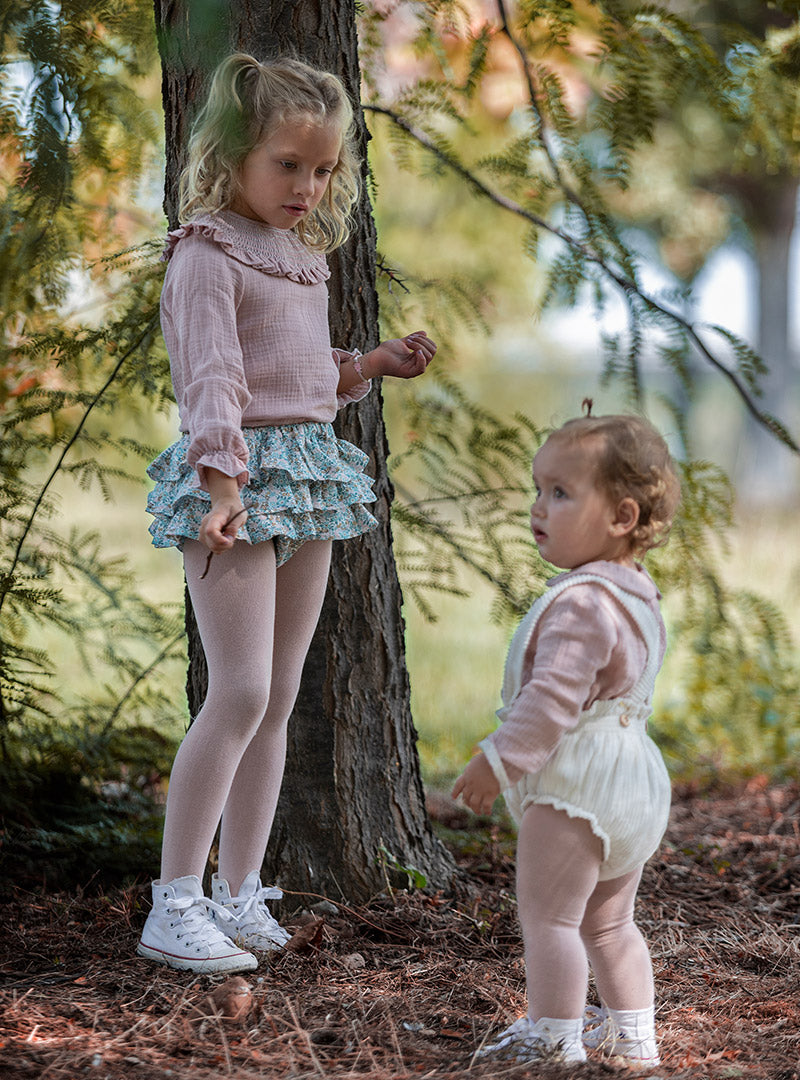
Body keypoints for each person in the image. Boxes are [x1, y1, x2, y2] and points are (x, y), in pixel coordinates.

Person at [138, 53, 436, 974]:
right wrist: (224, 481)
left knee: (279, 698)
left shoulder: (303, 260)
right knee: (238, 691)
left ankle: (238, 892)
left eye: (323, 169)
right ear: (233, 158)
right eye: (287, 165)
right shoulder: (205, 251)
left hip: (308, 476)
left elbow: (300, 379)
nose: (307, 186)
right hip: (233, 482)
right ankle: (174, 900)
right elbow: (214, 379)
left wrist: (370, 365)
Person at [452, 410, 680, 1068]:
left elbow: (551, 702)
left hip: (579, 784)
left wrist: (497, 761)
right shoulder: (637, 593)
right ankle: (634, 1038)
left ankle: (553, 1038)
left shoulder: (582, 603)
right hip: (632, 781)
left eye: (560, 492)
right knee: (609, 923)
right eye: (538, 488)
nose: (538, 507)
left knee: (550, 919)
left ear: (622, 517)